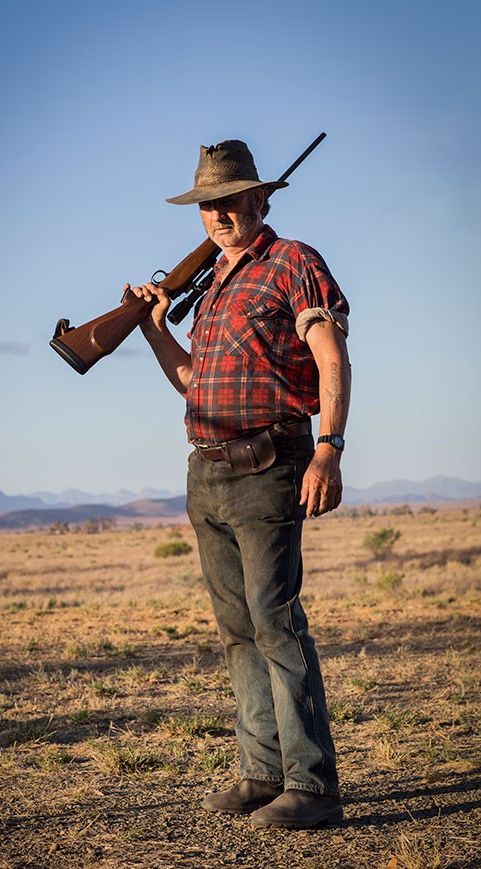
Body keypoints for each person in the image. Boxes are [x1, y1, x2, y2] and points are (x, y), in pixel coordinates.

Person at [130, 139, 351, 830]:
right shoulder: (217, 285)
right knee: (237, 632)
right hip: (208, 470)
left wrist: (329, 449)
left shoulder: (294, 262)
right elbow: (194, 383)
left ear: (261, 199)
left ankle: (312, 786)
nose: (219, 214)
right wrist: (156, 330)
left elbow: (330, 352)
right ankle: (261, 773)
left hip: (270, 466)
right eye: (208, 205)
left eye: (230, 200)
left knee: (277, 625)